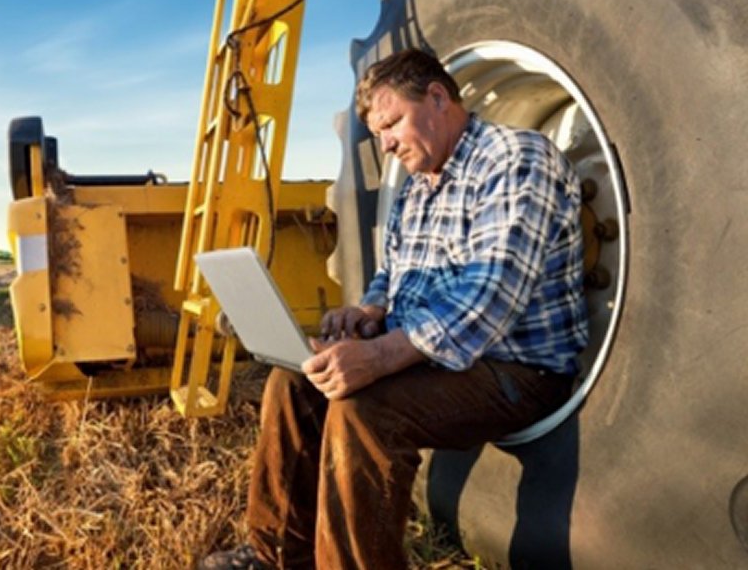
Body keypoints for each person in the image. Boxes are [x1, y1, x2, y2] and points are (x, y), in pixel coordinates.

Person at [200, 48, 589, 569]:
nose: (384, 143)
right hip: (442, 360)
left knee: (362, 411)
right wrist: (370, 310)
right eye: (377, 132)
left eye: (391, 124)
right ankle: (276, 557)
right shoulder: (419, 186)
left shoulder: (515, 159)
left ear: (437, 98)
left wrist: (380, 357)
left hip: (515, 370)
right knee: (293, 383)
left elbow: (490, 296)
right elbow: (396, 270)